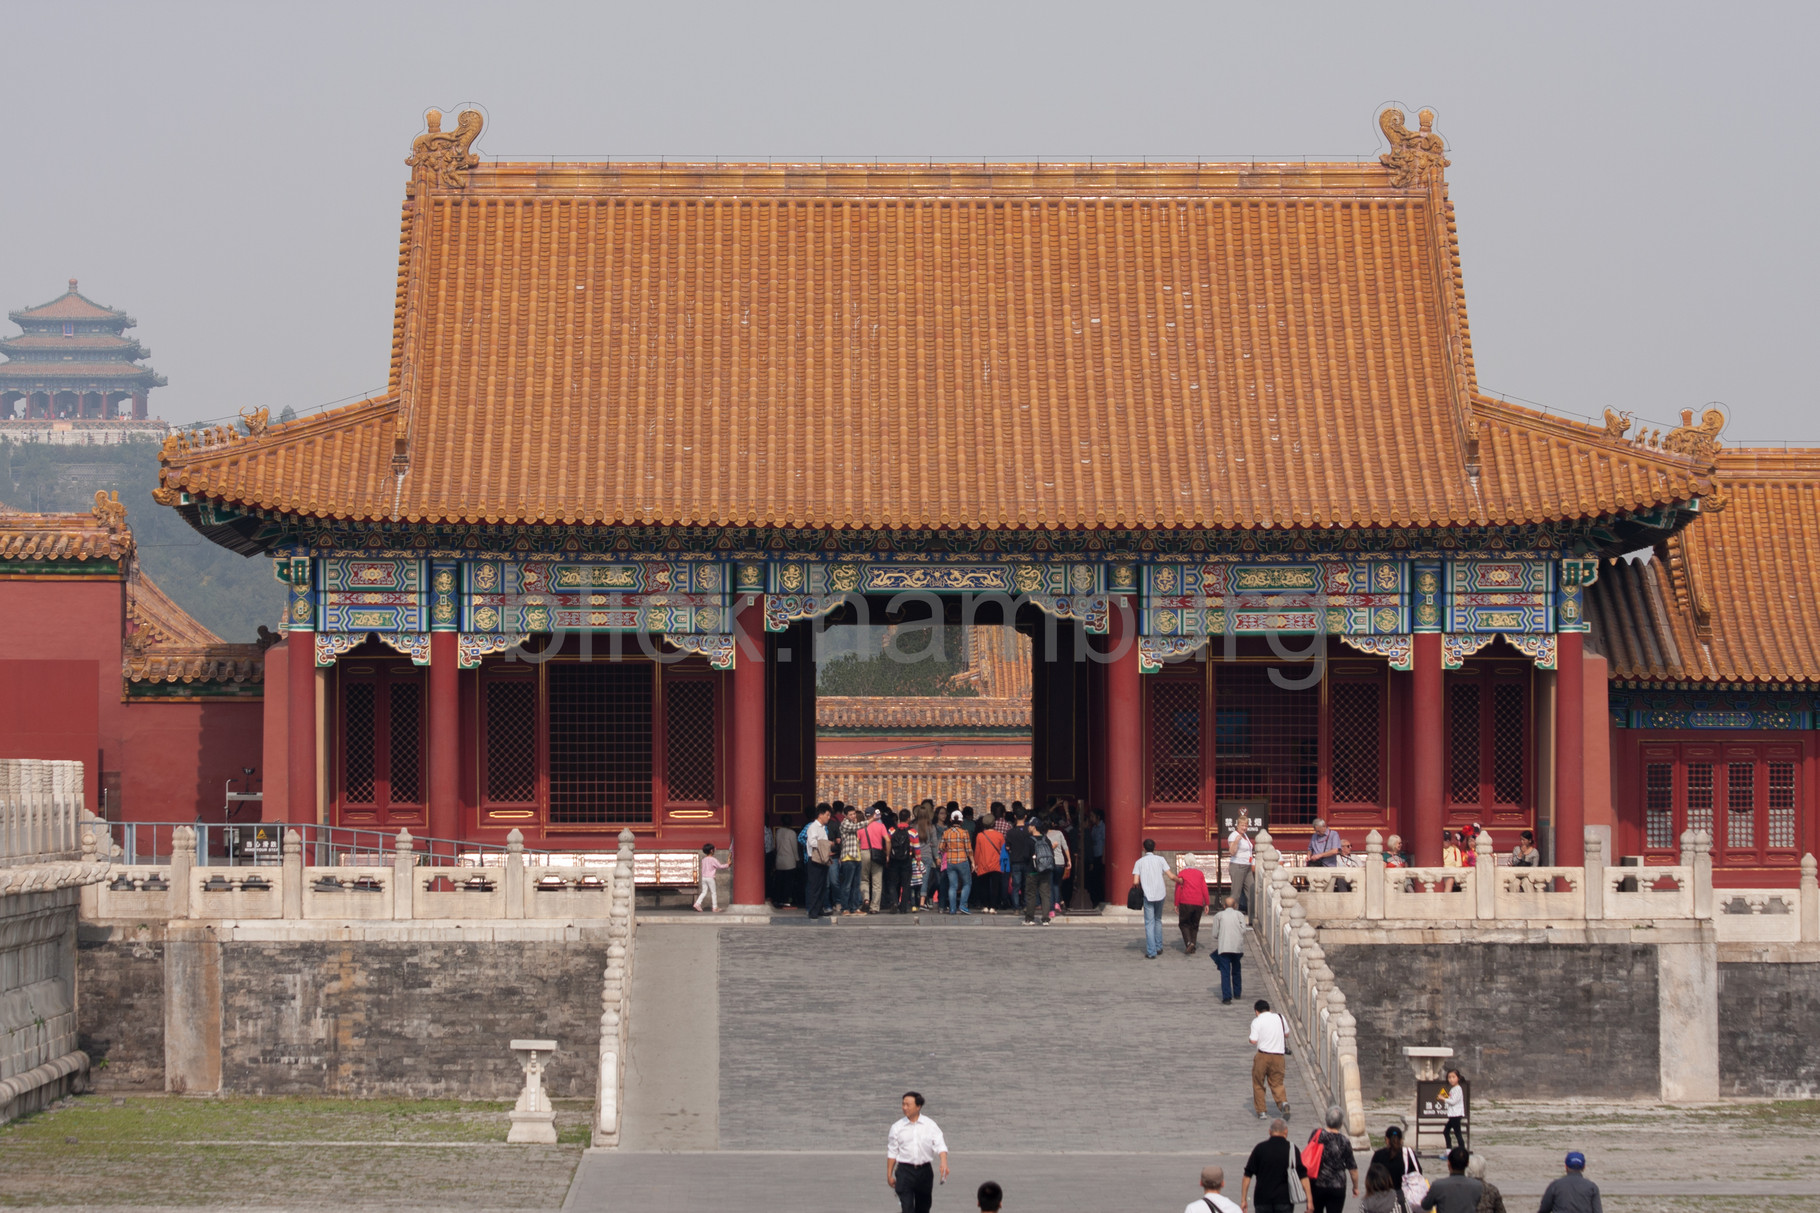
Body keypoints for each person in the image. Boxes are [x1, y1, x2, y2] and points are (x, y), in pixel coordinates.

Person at [885, 1090, 949, 1213]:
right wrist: (889, 1175)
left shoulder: (930, 1125)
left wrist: (944, 1162)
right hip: (904, 1172)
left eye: (908, 1105)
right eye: (903, 1104)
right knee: (907, 1208)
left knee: (923, 1208)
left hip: (924, 1171)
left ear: (918, 1106)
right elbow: (892, 1151)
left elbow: (940, 1144)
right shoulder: (897, 1127)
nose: (904, 1107)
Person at [1241, 1118, 1308, 1213]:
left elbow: (1247, 1176)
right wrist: (1310, 1201)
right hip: (1284, 1200)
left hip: (1262, 1200)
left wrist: (1243, 1199)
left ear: (1269, 1131)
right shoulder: (1292, 1149)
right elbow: (1303, 1176)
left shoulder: (1259, 1148)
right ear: (1286, 1131)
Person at [1305, 1106, 1359, 1213]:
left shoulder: (1316, 1134)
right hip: (1337, 1186)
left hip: (1317, 1183)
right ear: (1341, 1123)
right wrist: (1355, 1187)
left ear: (1326, 1119)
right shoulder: (1344, 1141)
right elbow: (1352, 1168)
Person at [1248, 999, 1290, 1119]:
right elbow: (1287, 1034)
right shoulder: (1280, 1017)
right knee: (1277, 1083)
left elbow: (1253, 1040)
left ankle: (1261, 1111)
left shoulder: (1257, 1021)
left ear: (1256, 1011)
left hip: (1263, 1056)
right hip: (1279, 1056)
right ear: (1269, 1009)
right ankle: (1283, 1103)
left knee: (1258, 1083)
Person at [1131, 838, 1171, 958]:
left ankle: (1151, 951)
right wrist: (1179, 880)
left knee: (1149, 923)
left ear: (1144, 848)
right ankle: (1159, 947)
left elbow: (1135, 881)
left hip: (1148, 895)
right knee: (1158, 920)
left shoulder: (1139, 862)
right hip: (1160, 893)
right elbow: (1170, 875)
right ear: (1154, 848)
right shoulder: (1161, 859)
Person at [1367, 1125, 1419, 1210]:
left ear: (1386, 1140)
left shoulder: (1378, 1155)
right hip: (1403, 1198)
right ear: (1401, 1140)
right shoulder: (1408, 1154)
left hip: (1382, 1198)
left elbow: (1372, 1177)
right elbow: (1418, 1174)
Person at [1419, 1146, 1481, 1213]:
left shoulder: (1438, 1185)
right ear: (1467, 1164)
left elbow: (1425, 1206)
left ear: (1448, 1163)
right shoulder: (1477, 1186)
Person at [1537, 1151, 1602, 1213]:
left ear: (1566, 1166)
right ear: (1584, 1167)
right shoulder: (1592, 1187)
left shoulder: (1555, 1185)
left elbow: (1544, 1210)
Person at [1210, 895, 1247, 1003]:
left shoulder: (1219, 915)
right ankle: (1237, 993)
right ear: (1235, 905)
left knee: (1225, 972)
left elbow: (1215, 934)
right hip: (1237, 947)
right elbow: (1243, 930)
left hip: (1224, 947)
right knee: (1236, 970)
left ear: (1224, 906)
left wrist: (1222, 934)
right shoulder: (1239, 915)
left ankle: (1227, 997)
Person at [858, 806, 891, 913]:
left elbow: (857, 841)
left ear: (865, 815)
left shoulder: (861, 826)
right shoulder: (881, 826)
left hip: (864, 853)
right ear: (874, 814)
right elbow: (887, 840)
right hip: (877, 853)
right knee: (877, 882)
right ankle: (875, 907)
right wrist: (887, 854)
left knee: (864, 879)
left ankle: (866, 899)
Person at [803, 805, 833, 919]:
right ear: (820, 815)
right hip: (815, 860)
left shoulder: (823, 828)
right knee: (814, 886)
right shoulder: (813, 827)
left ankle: (819, 908)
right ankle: (812, 910)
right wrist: (826, 844)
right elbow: (812, 842)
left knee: (822, 886)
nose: (829, 817)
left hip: (822, 860)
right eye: (827, 815)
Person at [942, 811, 974, 914]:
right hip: (962, 860)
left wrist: (949, 848)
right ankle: (963, 905)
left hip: (950, 861)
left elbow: (941, 847)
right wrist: (973, 862)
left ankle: (952, 909)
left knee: (952, 886)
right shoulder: (964, 832)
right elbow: (969, 849)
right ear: (961, 821)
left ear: (951, 820)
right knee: (967, 883)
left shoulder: (946, 832)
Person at [883, 810, 915, 914]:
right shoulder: (912, 831)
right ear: (909, 818)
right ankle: (903, 907)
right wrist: (918, 860)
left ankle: (894, 902)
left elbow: (887, 843)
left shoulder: (892, 830)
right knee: (906, 884)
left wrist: (887, 855)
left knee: (892, 883)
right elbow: (917, 847)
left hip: (894, 859)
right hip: (907, 859)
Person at [1174, 860, 1210, 953]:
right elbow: (1204, 888)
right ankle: (1193, 944)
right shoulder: (1199, 873)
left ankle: (1189, 943)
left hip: (1185, 901)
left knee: (1184, 923)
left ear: (1185, 862)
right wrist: (1207, 903)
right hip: (1198, 902)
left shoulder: (1182, 873)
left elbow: (1178, 889)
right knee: (1194, 925)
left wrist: (1176, 903)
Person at [1025, 818, 1055, 925]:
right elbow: (1051, 853)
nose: (1028, 827)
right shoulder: (1046, 839)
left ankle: (1030, 918)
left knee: (1031, 895)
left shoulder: (1029, 840)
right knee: (1045, 894)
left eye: (1029, 825)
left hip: (1032, 871)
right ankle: (1045, 919)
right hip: (1046, 871)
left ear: (1034, 827)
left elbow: (1026, 856)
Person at [972, 814, 1004, 913]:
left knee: (984, 886)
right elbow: (1003, 851)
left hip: (983, 863)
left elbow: (977, 851)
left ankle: (985, 905)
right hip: (996, 863)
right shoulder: (999, 835)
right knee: (995, 886)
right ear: (994, 823)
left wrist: (976, 864)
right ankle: (993, 907)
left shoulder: (980, 835)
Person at [1003, 811, 1034, 915]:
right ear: (1025, 816)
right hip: (1027, 861)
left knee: (1016, 886)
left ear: (1015, 816)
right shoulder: (1029, 831)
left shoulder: (1010, 832)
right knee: (1026, 885)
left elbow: (1007, 847)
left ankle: (1016, 908)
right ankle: (1025, 905)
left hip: (1015, 861)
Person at [1227, 813, 1255, 914]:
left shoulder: (1245, 836)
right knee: (1236, 893)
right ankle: (1233, 916)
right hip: (1237, 865)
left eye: (1246, 825)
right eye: (1242, 825)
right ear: (1237, 825)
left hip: (1248, 866)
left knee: (1252, 892)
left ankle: (1253, 917)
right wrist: (1235, 842)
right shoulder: (1234, 835)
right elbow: (1232, 852)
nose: (1244, 827)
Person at [1045, 816, 1071, 914]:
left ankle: (1051, 909)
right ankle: (1057, 903)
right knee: (1056, 884)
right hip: (1060, 862)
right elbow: (1065, 847)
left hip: (1050, 862)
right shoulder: (1059, 833)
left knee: (1050, 885)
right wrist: (1069, 860)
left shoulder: (1044, 835)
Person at [771, 818, 800, 907]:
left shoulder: (778, 832)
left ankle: (778, 899)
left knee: (780, 882)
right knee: (788, 882)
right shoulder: (792, 833)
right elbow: (794, 848)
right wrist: (797, 859)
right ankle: (786, 900)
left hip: (779, 860)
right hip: (789, 861)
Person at [692, 843, 727, 913]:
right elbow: (720, 866)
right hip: (710, 878)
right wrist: (728, 865)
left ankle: (697, 903)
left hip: (704, 878)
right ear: (711, 850)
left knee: (704, 892)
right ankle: (715, 907)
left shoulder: (704, 859)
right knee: (713, 893)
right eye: (714, 849)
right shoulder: (713, 859)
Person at [1439, 1068, 1466, 1153]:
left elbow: (1453, 1101)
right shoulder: (1453, 1089)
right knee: (1446, 1132)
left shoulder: (1458, 1089)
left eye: (1453, 1077)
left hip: (1456, 1114)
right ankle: (1449, 1151)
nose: (1451, 1079)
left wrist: (1444, 1099)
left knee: (1457, 1133)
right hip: (1453, 1115)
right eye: (1449, 1077)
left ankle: (1462, 1151)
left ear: (1458, 1078)